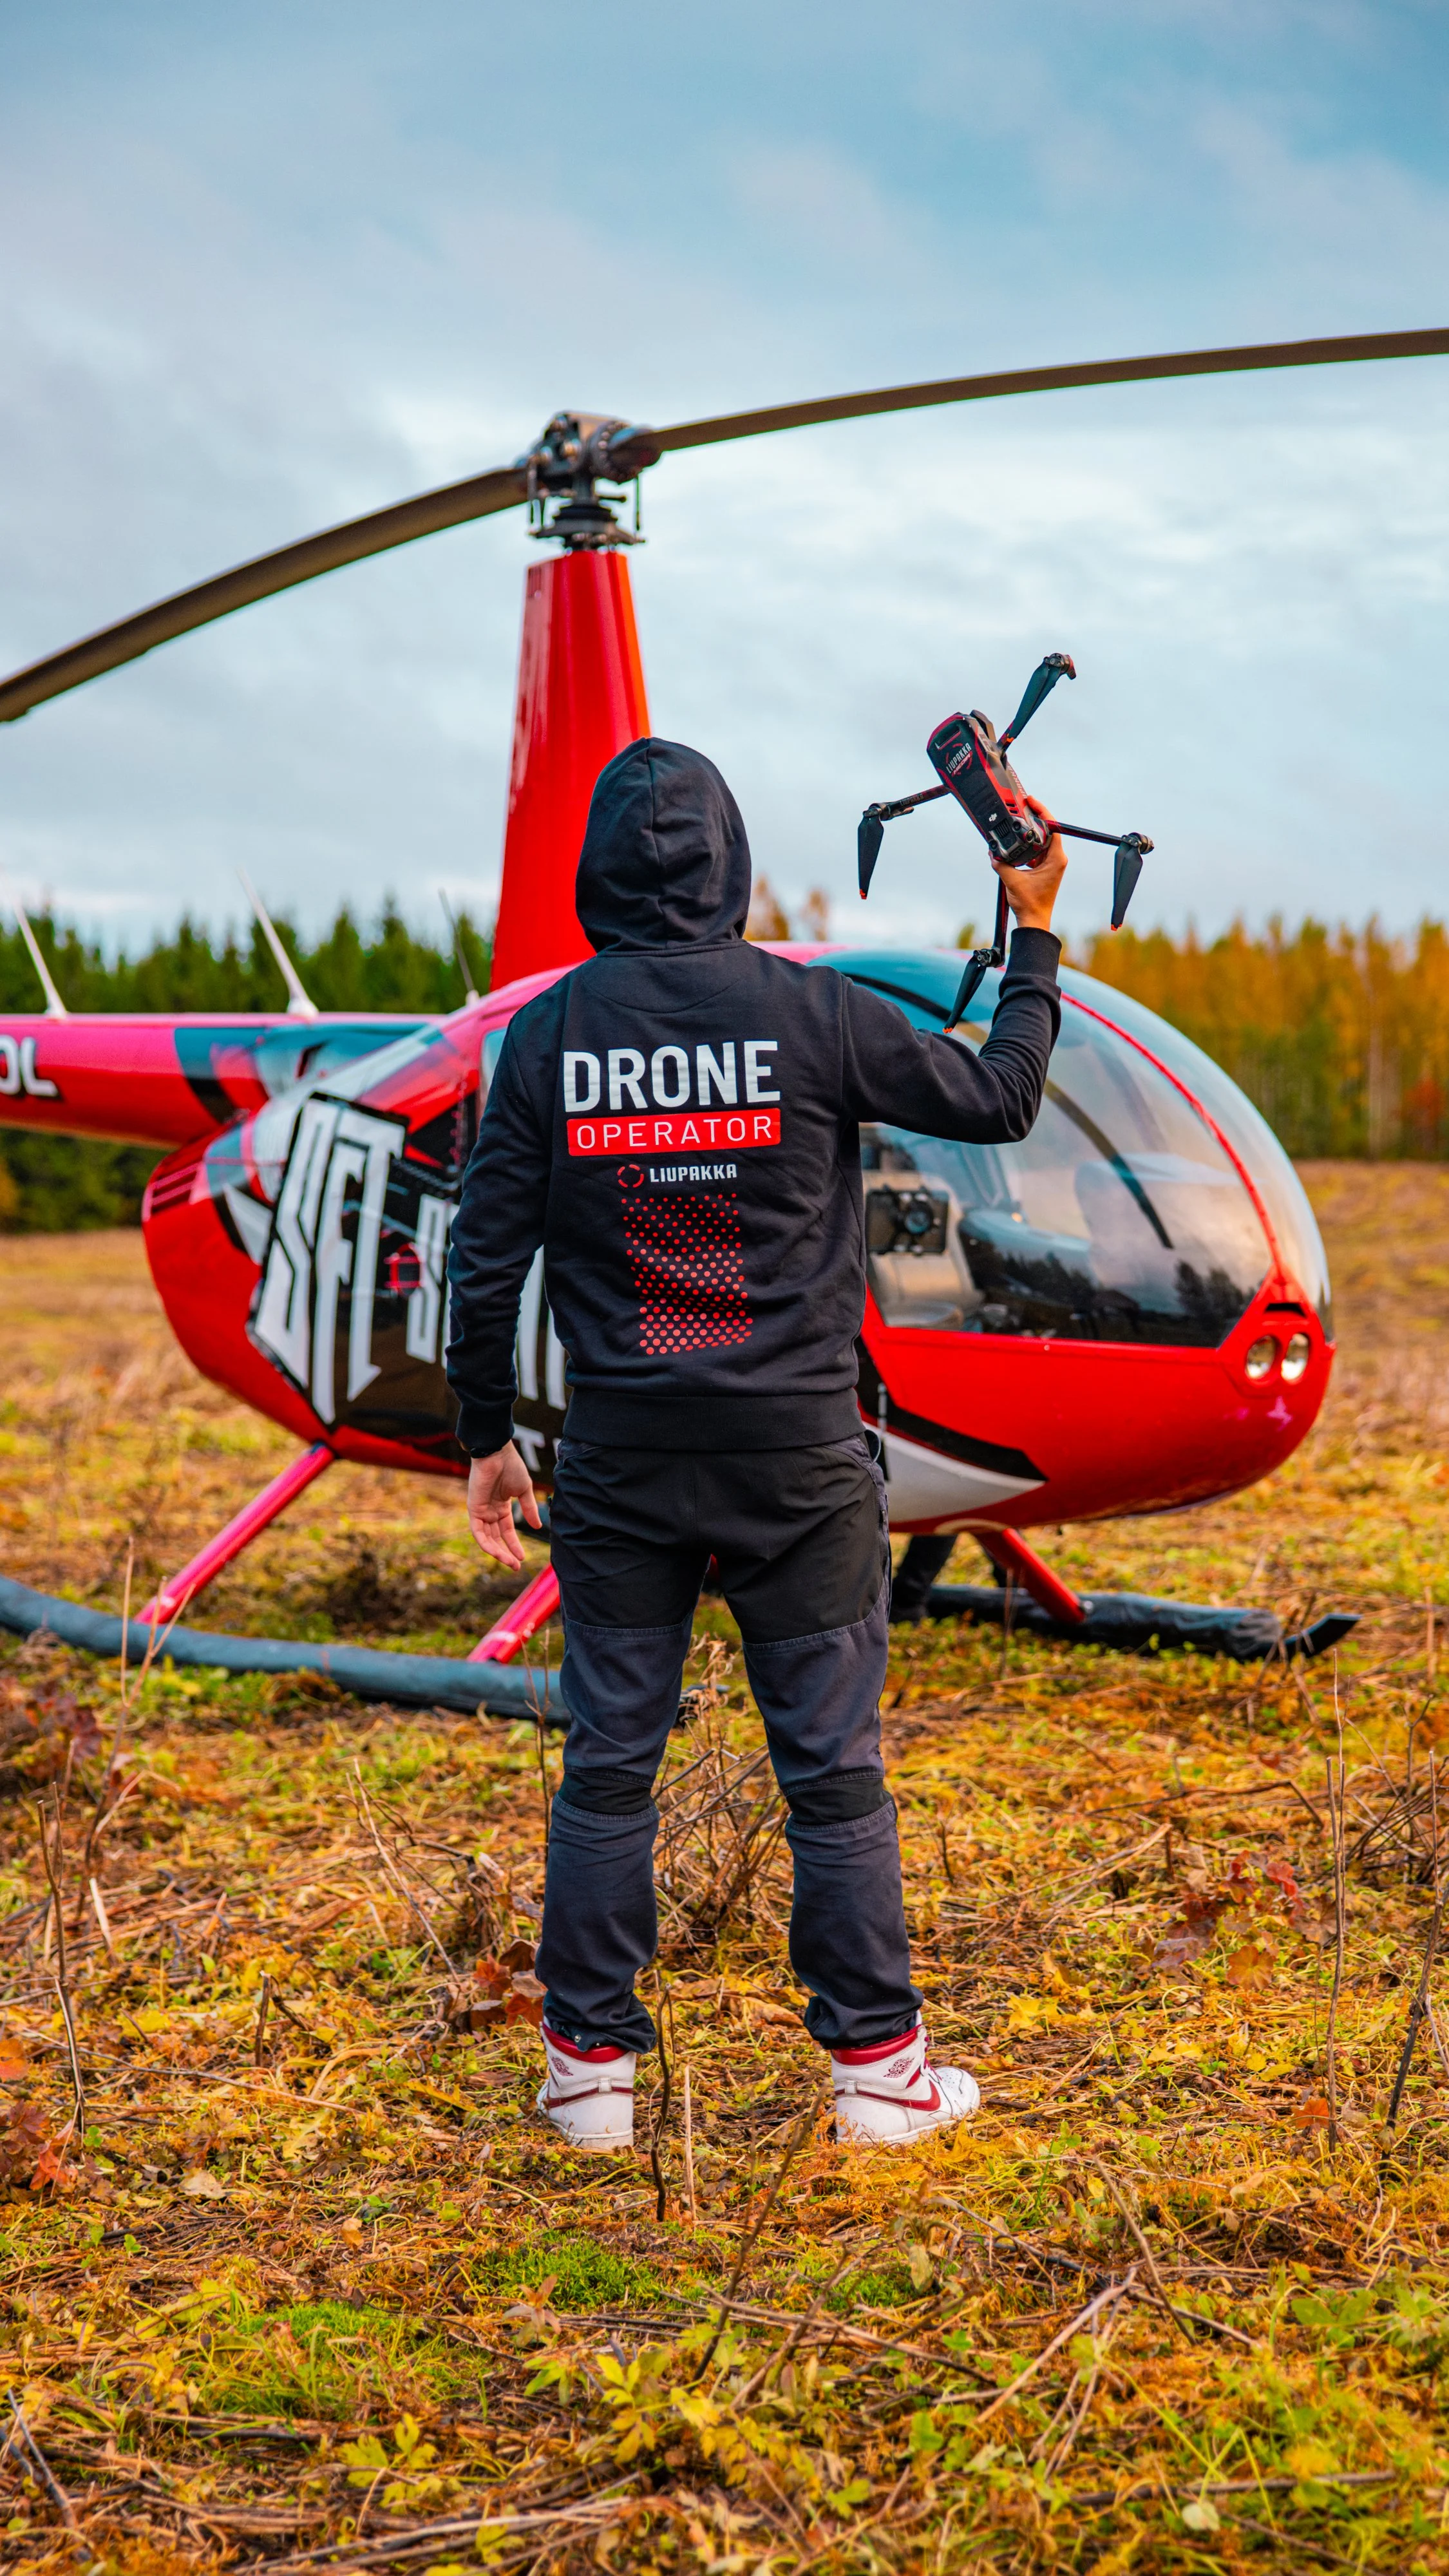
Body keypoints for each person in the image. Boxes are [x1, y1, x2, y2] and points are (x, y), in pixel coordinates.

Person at [446, 737, 1065, 2152]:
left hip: (621, 1457)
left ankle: (590, 2075)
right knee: (832, 1767)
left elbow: (485, 1264)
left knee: (608, 1759)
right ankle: (878, 2075)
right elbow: (1001, 1095)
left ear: (592, 870)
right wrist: (1031, 931)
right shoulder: (815, 1013)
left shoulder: (543, 1038)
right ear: (729, 860)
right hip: (800, 1460)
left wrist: (490, 1435)